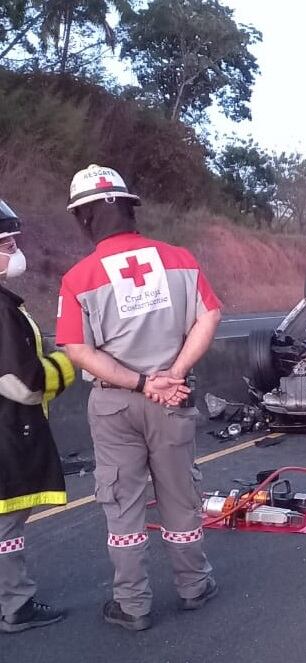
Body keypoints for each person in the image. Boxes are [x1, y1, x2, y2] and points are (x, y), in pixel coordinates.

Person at [55, 165, 222, 632]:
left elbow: (76, 348)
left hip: (114, 404)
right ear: (130, 208)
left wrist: (139, 382)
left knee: (122, 502)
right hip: (174, 399)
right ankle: (193, 586)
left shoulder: (80, 277)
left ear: (84, 218)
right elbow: (209, 316)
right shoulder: (180, 259)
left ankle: (133, 605)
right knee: (179, 493)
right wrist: (174, 373)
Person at [0, 200, 74, 633]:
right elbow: (23, 383)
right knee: (6, 525)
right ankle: (16, 605)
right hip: (8, 433)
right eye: (6, 243)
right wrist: (68, 365)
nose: (14, 251)